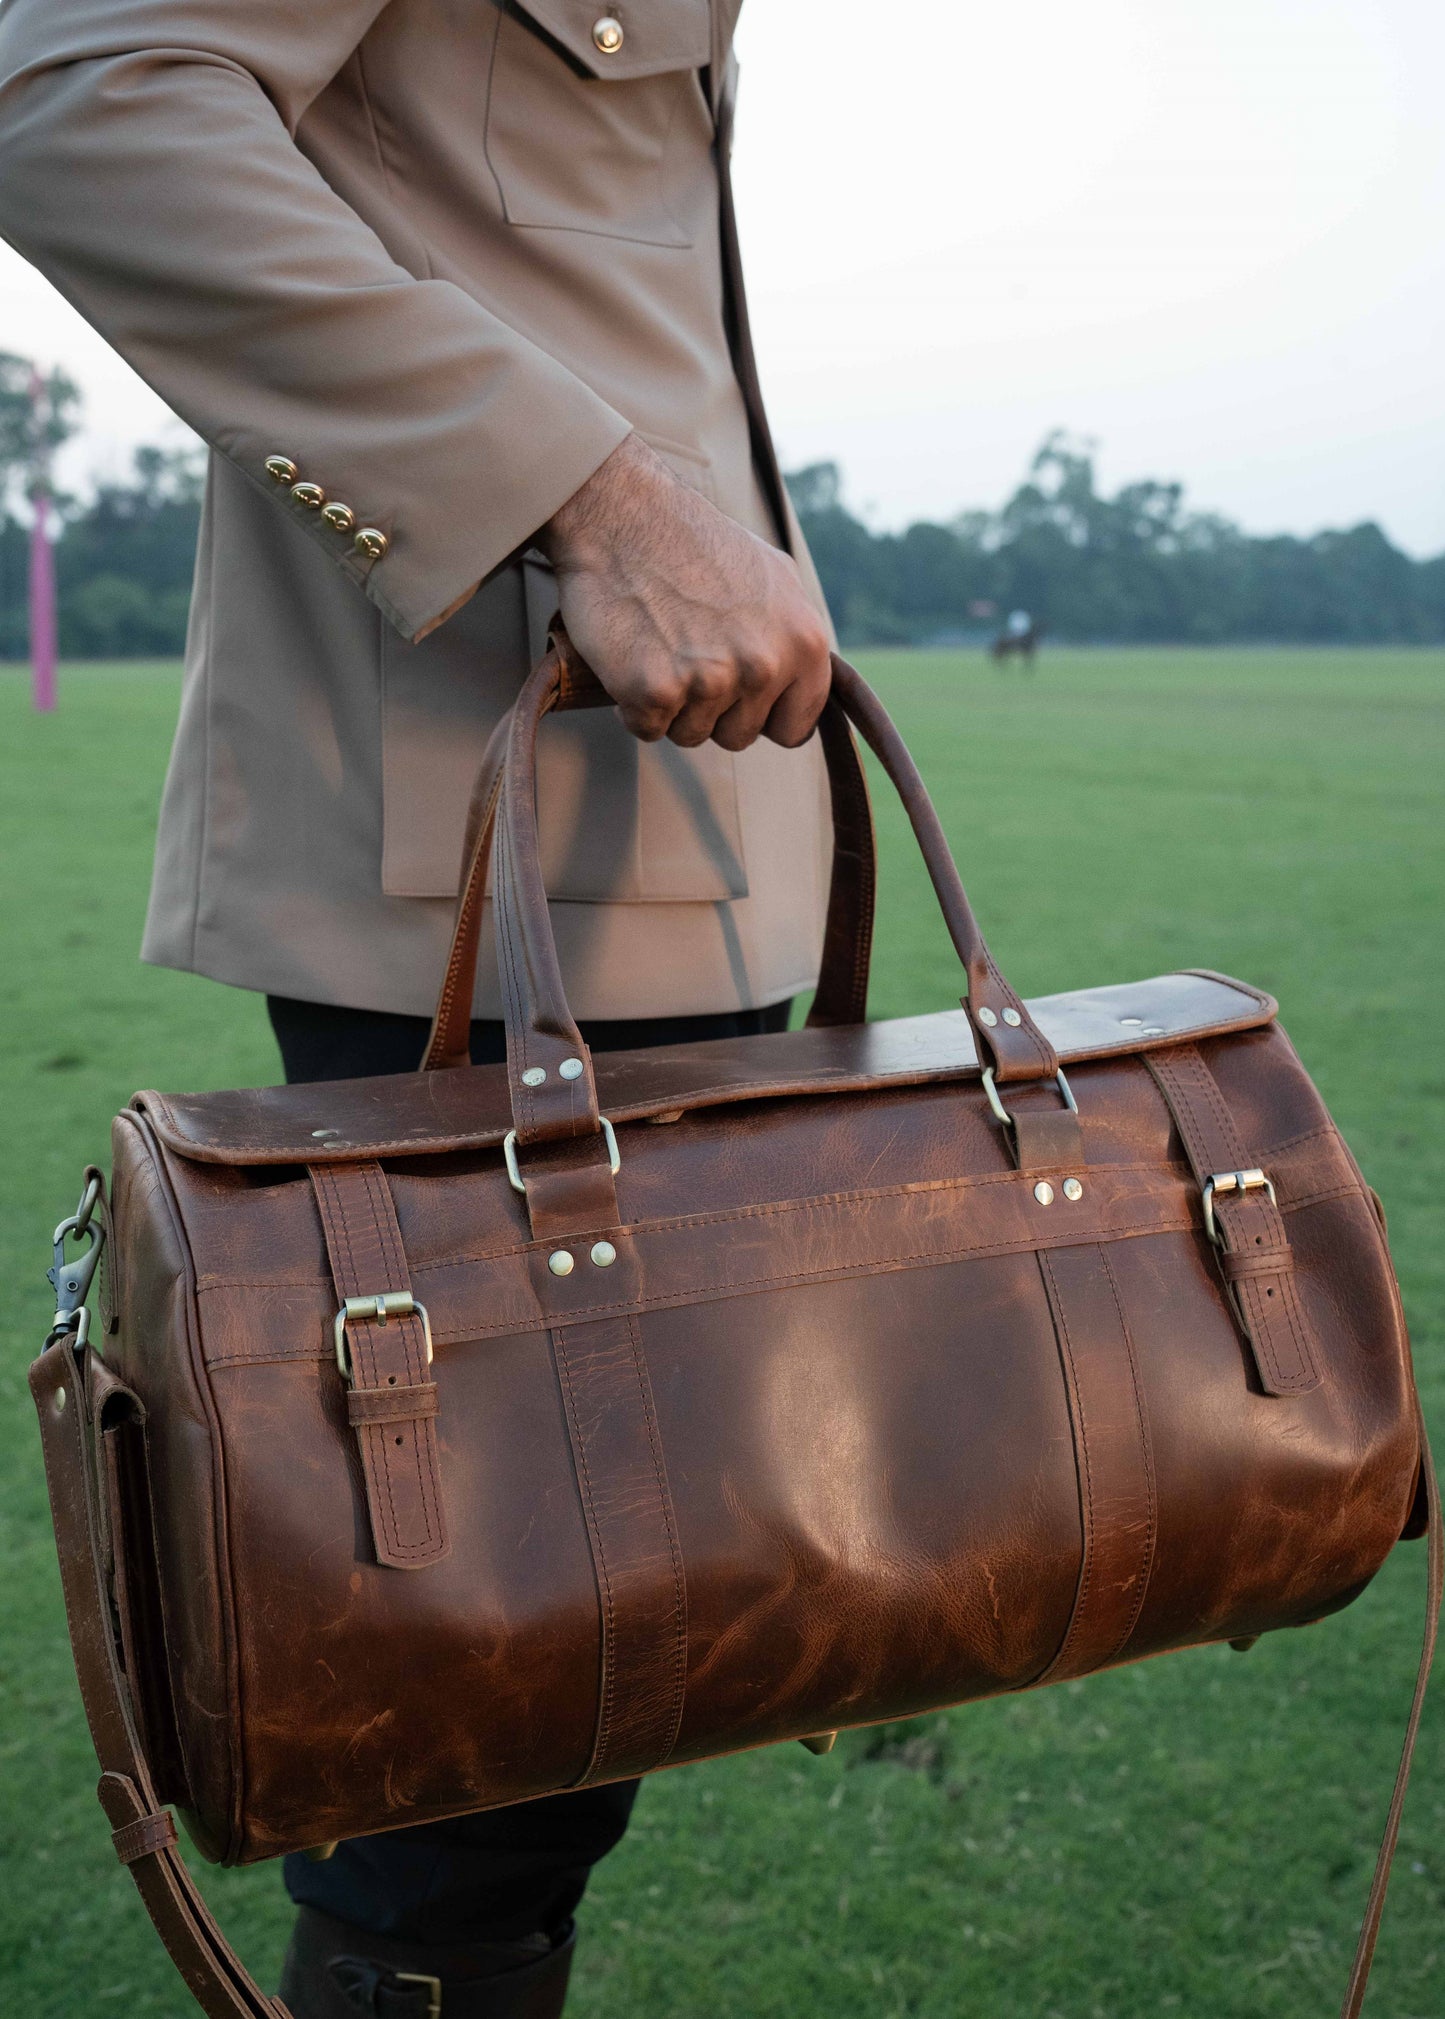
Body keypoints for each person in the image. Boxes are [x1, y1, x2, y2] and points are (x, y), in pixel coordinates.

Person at [0, 4, 836, 2014]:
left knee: (579, 1696)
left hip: (682, 833)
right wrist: (596, 502)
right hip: (478, 838)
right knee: (486, 1727)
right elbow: (75, 101)